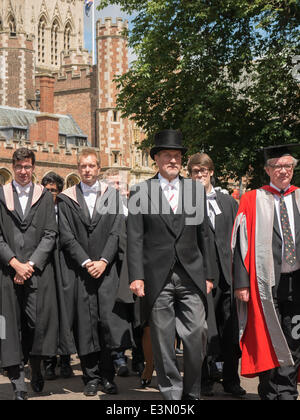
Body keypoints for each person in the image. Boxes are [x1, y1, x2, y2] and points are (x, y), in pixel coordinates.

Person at [127, 129, 215, 400]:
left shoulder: (194, 190)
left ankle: (191, 391)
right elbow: (134, 238)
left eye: (177, 156)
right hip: (157, 277)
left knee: (198, 333)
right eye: (167, 155)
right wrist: (136, 276)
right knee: (163, 341)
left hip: (191, 274)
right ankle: (172, 393)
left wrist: (209, 275)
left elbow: (204, 235)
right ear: (156, 159)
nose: (173, 160)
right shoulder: (140, 191)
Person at [232, 144, 300, 400]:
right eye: (277, 166)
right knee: (268, 337)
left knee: (294, 337)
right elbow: (239, 244)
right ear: (267, 170)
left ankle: (287, 392)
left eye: (288, 166)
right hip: (266, 284)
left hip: (297, 282)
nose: (283, 171)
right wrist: (241, 283)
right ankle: (270, 391)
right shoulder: (252, 199)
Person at [57, 149, 126, 397]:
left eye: (92, 165)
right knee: (85, 325)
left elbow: (117, 231)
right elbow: (66, 235)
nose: (87, 170)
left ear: (99, 168)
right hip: (81, 272)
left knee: (106, 324)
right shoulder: (66, 199)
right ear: (78, 168)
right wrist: (87, 262)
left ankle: (108, 377)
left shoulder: (113, 196)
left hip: (106, 272)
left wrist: (104, 261)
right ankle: (91, 377)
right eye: (83, 166)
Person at [0, 148, 64, 400]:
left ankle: (35, 367)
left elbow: (50, 234)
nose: (23, 171)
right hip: (7, 272)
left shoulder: (44, 197)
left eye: (27, 167)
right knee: (10, 327)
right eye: (19, 167)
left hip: (37, 273)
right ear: (12, 167)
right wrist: (15, 263)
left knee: (37, 325)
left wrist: (31, 264)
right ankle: (18, 383)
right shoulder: (1, 195)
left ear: (33, 167)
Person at [188, 153, 246, 397]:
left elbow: (239, 240)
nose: (199, 175)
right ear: (189, 175)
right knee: (200, 331)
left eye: (203, 171)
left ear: (211, 172)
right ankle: (203, 381)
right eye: (194, 172)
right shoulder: (184, 203)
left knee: (230, 330)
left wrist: (240, 278)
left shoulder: (228, 202)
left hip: (227, 276)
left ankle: (232, 380)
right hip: (199, 277)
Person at [41, 172, 73, 380]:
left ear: (60, 192)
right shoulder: (38, 209)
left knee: (66, 314)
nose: (50, 193)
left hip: (64, 264)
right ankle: (49, 362)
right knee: (46, 316)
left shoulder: (65, 209)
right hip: (45, 266)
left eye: (53, 190)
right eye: (47, 189)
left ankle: (66, 361)